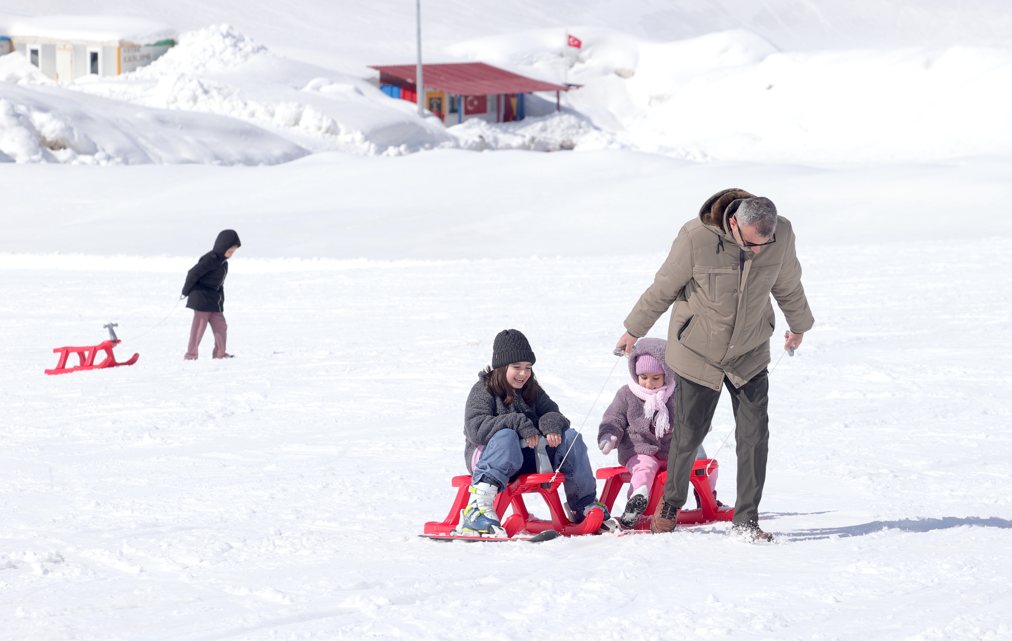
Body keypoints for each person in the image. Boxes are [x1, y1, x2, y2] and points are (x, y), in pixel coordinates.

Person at [615, 189, 814, 542]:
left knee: (754, 435)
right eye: (750, 244)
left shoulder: (781, 234)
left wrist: (799, 325)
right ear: (733, 222)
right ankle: (671, 504)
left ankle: (747, 520)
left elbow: (787, 282)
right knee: (690, 432)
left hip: (749, 351)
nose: (757, 251)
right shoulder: (696, 237)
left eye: (764, 244)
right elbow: (664, 287)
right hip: (698, 352)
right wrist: (634, 329)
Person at [461, 329, 618, 537]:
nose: (523, 374)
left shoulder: (531, 389)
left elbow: (554, 413)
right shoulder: (484, 389)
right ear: (501, 366)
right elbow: (476, 428)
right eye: (517, 367)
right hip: (488, 459)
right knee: (507, 436)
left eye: (528, 368)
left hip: (528, 457)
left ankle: (583, 505)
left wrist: (550, 424)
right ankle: (477, 509)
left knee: (570, 437)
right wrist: (517, 422)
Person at [598, 337, 714, 528]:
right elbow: (614, 417)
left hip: (671, 451)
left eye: (655, 378)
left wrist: (700, 424)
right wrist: (609, 436)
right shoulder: (627, 394)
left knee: (706, 465)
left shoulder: (676, 393)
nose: (649, 383)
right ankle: (637, 498)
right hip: (639, 449)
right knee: (644, 467)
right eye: (643, 377)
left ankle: (707, 500)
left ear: (666, 375)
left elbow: (691, 414)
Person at [181, 229, 241, 361]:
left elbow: (219, 284)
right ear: (222, 247)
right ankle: (191, 356)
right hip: (201, 299)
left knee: (221, 326)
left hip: (214, 301)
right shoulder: (210, 259)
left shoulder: (223, 264)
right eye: (229, 251)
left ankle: (220, 354)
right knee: (199, 328)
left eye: (232, 252)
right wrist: (186, 291)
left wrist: (220, 302)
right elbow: (193, 273)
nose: (230, 255)